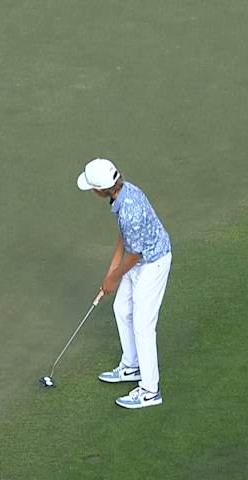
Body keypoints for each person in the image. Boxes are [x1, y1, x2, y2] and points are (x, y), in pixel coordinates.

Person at [76, 158, 172, 409]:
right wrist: (111, 271)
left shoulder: (130, 209)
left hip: (153, 262)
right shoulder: (124, 194)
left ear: (100, 189)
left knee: (143, 325)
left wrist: (114, 277)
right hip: (138, 260)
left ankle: (151, 391)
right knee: (121, 309)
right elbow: (124, 238)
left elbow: (136, 252)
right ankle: (131, 366)